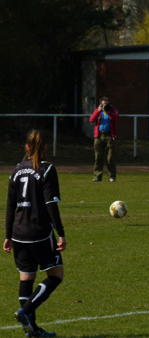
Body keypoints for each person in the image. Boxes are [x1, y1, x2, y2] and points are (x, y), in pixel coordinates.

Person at [3, 130, 66, 338]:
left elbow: (10, 205)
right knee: (56, 276)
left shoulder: (16, 170)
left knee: (26, 278)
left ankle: (33, 331)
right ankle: (26, 311)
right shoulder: (47, 169)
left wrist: (8, 235)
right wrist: (61, 232)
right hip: (39, 232)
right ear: (46, 147)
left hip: (19, 232)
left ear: (27, 147)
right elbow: (51, 205)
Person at [89, 96, 120, 182]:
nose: (105, 104)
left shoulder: (112, 109)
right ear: (101, 103)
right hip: (99, 136)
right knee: (98, 156)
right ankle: (97, 176)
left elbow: (117, 118)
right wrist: (97, 112)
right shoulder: (98, 111)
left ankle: (112, 176)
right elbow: (91, 119)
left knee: (110, 157)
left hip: (109, 135)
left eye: (107, 102)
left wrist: (109, 112)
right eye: (104, 102)